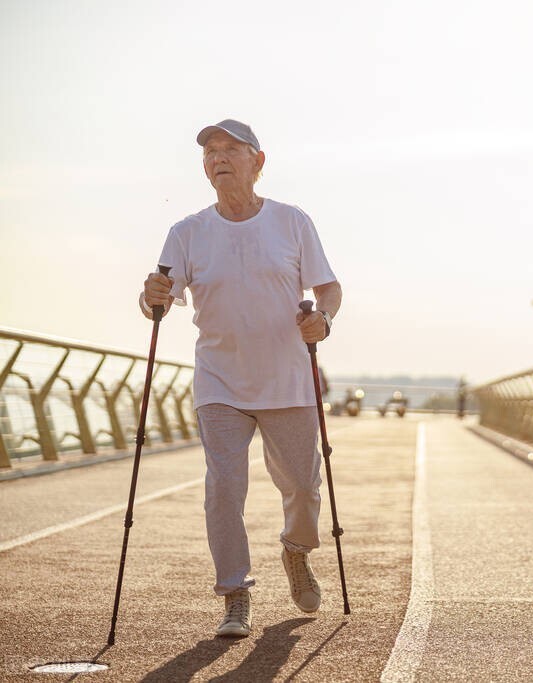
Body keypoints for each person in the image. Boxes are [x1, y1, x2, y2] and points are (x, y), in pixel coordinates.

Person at [141, 119, 342, 638]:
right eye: (210, 151)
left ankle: (296, 553)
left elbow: (328, 288)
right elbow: (157, 299)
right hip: (220, 382)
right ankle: (235, 594)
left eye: (231, 149)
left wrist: (323, 319)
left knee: (302, 485)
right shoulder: (187, 231)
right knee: (224, 488)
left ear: (258, 161)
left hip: (288, 380)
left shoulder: (291, 221)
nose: (218, 157)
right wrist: (152, 296)